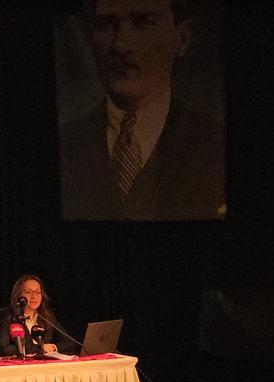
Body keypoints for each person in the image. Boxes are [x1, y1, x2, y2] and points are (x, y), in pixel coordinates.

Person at [59, 0, 226, 221]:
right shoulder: (63, 143)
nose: (120, 45)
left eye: (143, 22)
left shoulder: (216, 144)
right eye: (105, 24)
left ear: (182, 38)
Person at [0, 275, 77, 356]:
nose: (34, 296)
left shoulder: (46, 316)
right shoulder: (7, 316)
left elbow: (70, 343)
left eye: (38, 292)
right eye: (28, 292)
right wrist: (40, 348)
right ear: (18, 295)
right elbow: (3, 349)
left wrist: (53, 347)